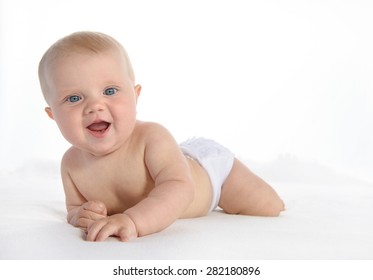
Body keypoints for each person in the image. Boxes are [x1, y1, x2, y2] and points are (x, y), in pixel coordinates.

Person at [38, 31, 284, 242]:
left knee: (268, 207)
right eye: (73, 98)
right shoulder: (71, 164)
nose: (95, 106)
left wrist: (134, 221)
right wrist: (81, 215)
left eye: (110, 91)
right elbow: (73, 208)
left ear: (136, 95)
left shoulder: (151, 137)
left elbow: (180, 188)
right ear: (52, 115)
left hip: (210, 173)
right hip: (182, 162)